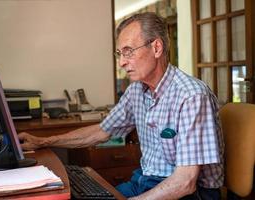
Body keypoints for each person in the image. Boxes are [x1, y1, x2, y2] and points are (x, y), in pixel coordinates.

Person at [18, 12, 224, 200]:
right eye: (119, 54)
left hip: (192, 193)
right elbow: (101, 131)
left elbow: (185, 182)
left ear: (157, 48)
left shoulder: (191, 96)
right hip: (145, 181)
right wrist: (43, 141)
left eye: (128, 52)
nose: (122, 63)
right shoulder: (136, 90)